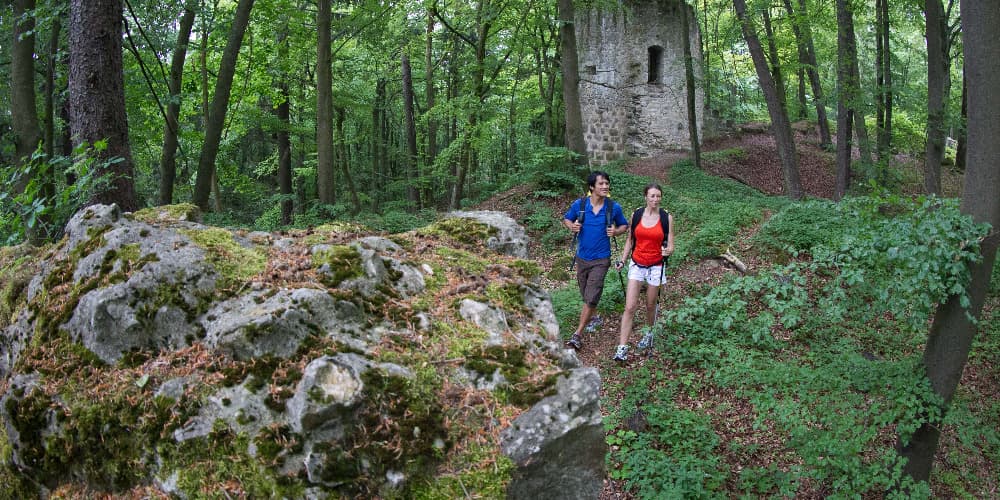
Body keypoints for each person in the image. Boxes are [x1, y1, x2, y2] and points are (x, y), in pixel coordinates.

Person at [563, 171, 629, 350]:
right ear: (592, 187)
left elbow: (624, 225)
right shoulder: (580, 205)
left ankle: (577, 334)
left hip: (602, 258)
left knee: (591, 295)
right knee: (585, 293)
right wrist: (573, 226)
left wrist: (616, 232)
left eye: (607, 183)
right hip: (582, 257)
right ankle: (595, 316)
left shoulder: (612, 207)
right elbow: (567, 219)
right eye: (601, 184)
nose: (605, 186)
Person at [613, 183, 674, 362]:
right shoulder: (637, 215)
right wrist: (623, 260)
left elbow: (670, 244)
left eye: (658, 196)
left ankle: (648, 333)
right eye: (652, 196)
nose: (655, 199)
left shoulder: (666, 218)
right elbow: (630, 240)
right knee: (630, 306)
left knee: (650, 304)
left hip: (656, 265)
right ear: (645, 197)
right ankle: (622, 347)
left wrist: (668, 250)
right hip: (637, 263)